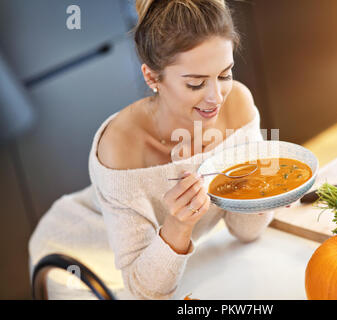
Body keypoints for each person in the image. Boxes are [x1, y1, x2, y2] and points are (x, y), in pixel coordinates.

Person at [28, 0, 275, 300]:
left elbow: (246, 232)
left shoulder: (237, 105)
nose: (216, 98)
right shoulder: (120, 145)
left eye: (224, 74)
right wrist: (179, 225)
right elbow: (145, 291)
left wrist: (260, 191)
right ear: (151, 77)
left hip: (172, 266)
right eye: (196, 83)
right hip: (82, 260)